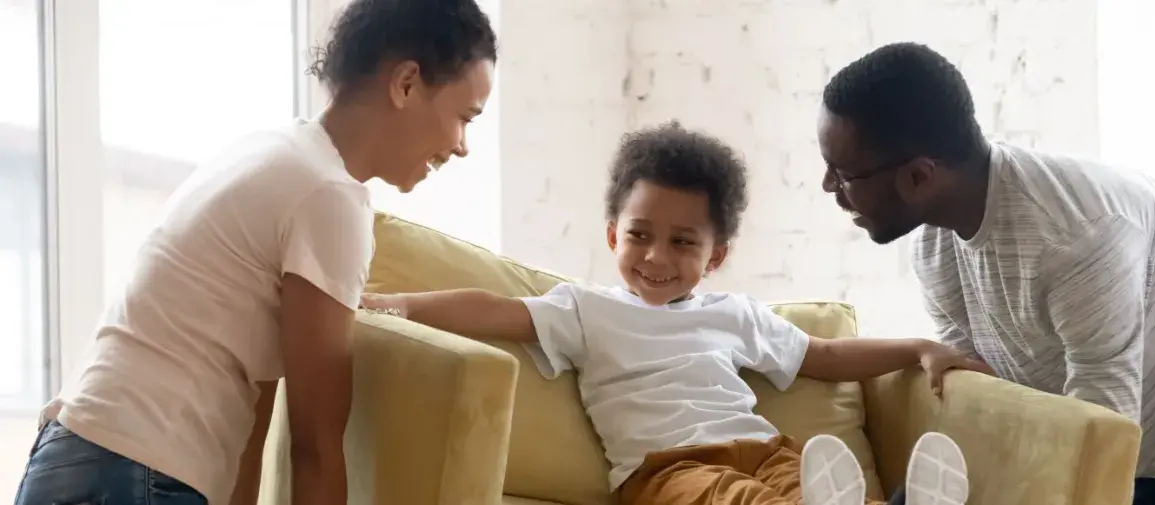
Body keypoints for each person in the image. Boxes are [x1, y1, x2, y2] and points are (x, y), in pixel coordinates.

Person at [13, 1, 496, 504]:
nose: (462, 146)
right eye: (465, 117)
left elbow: (257, 402)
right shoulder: (327, 197)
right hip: (138, 474)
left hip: (72, 453)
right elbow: (316, 446)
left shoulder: (272, 152)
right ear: (406, 83)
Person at [360, 122, 988, 505]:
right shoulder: (585, 309)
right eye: (639, 235)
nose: (656, 256)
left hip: (766, 449)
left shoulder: (733, 314)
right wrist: (400, 303)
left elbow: (821, 356)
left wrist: (917, 348)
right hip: (666, 472)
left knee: (804, 481)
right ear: (614, 236)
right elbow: (496, 310)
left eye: (683, 242)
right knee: (733, 500)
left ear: (716, 256)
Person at [815, 42, 1155, 505]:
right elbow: (986, 393)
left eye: (843, 174)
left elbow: (1101, 439)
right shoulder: (934, 247)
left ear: (919, 176)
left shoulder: (1076, 238)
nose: (827, 187)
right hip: (1129, 428)